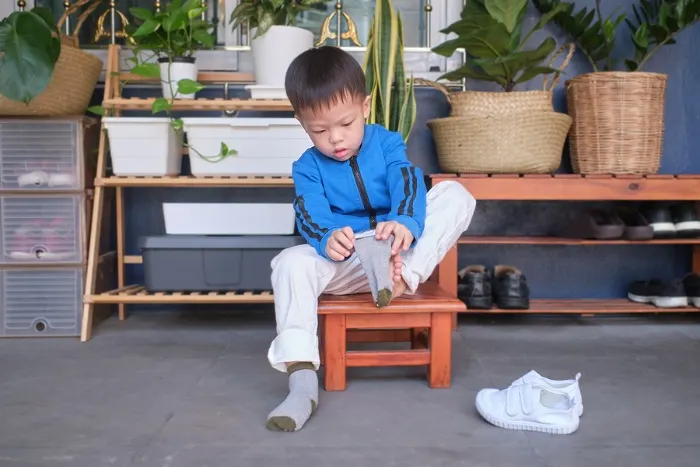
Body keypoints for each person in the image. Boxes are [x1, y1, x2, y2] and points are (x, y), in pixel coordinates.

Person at [265, 45, 476, 432]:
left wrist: (405, 223)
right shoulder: (307, 167)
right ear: (301, 123)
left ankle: (399, 279)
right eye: (319, 130)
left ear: (364, 107)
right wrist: (327, 237)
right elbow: (308, 212)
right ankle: (301, 381)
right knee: (288, 263)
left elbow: (407, 178)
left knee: (456, 195)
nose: (336, 139)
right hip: (347, 261)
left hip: (396, 249)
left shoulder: (386, 141)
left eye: (345, 123)